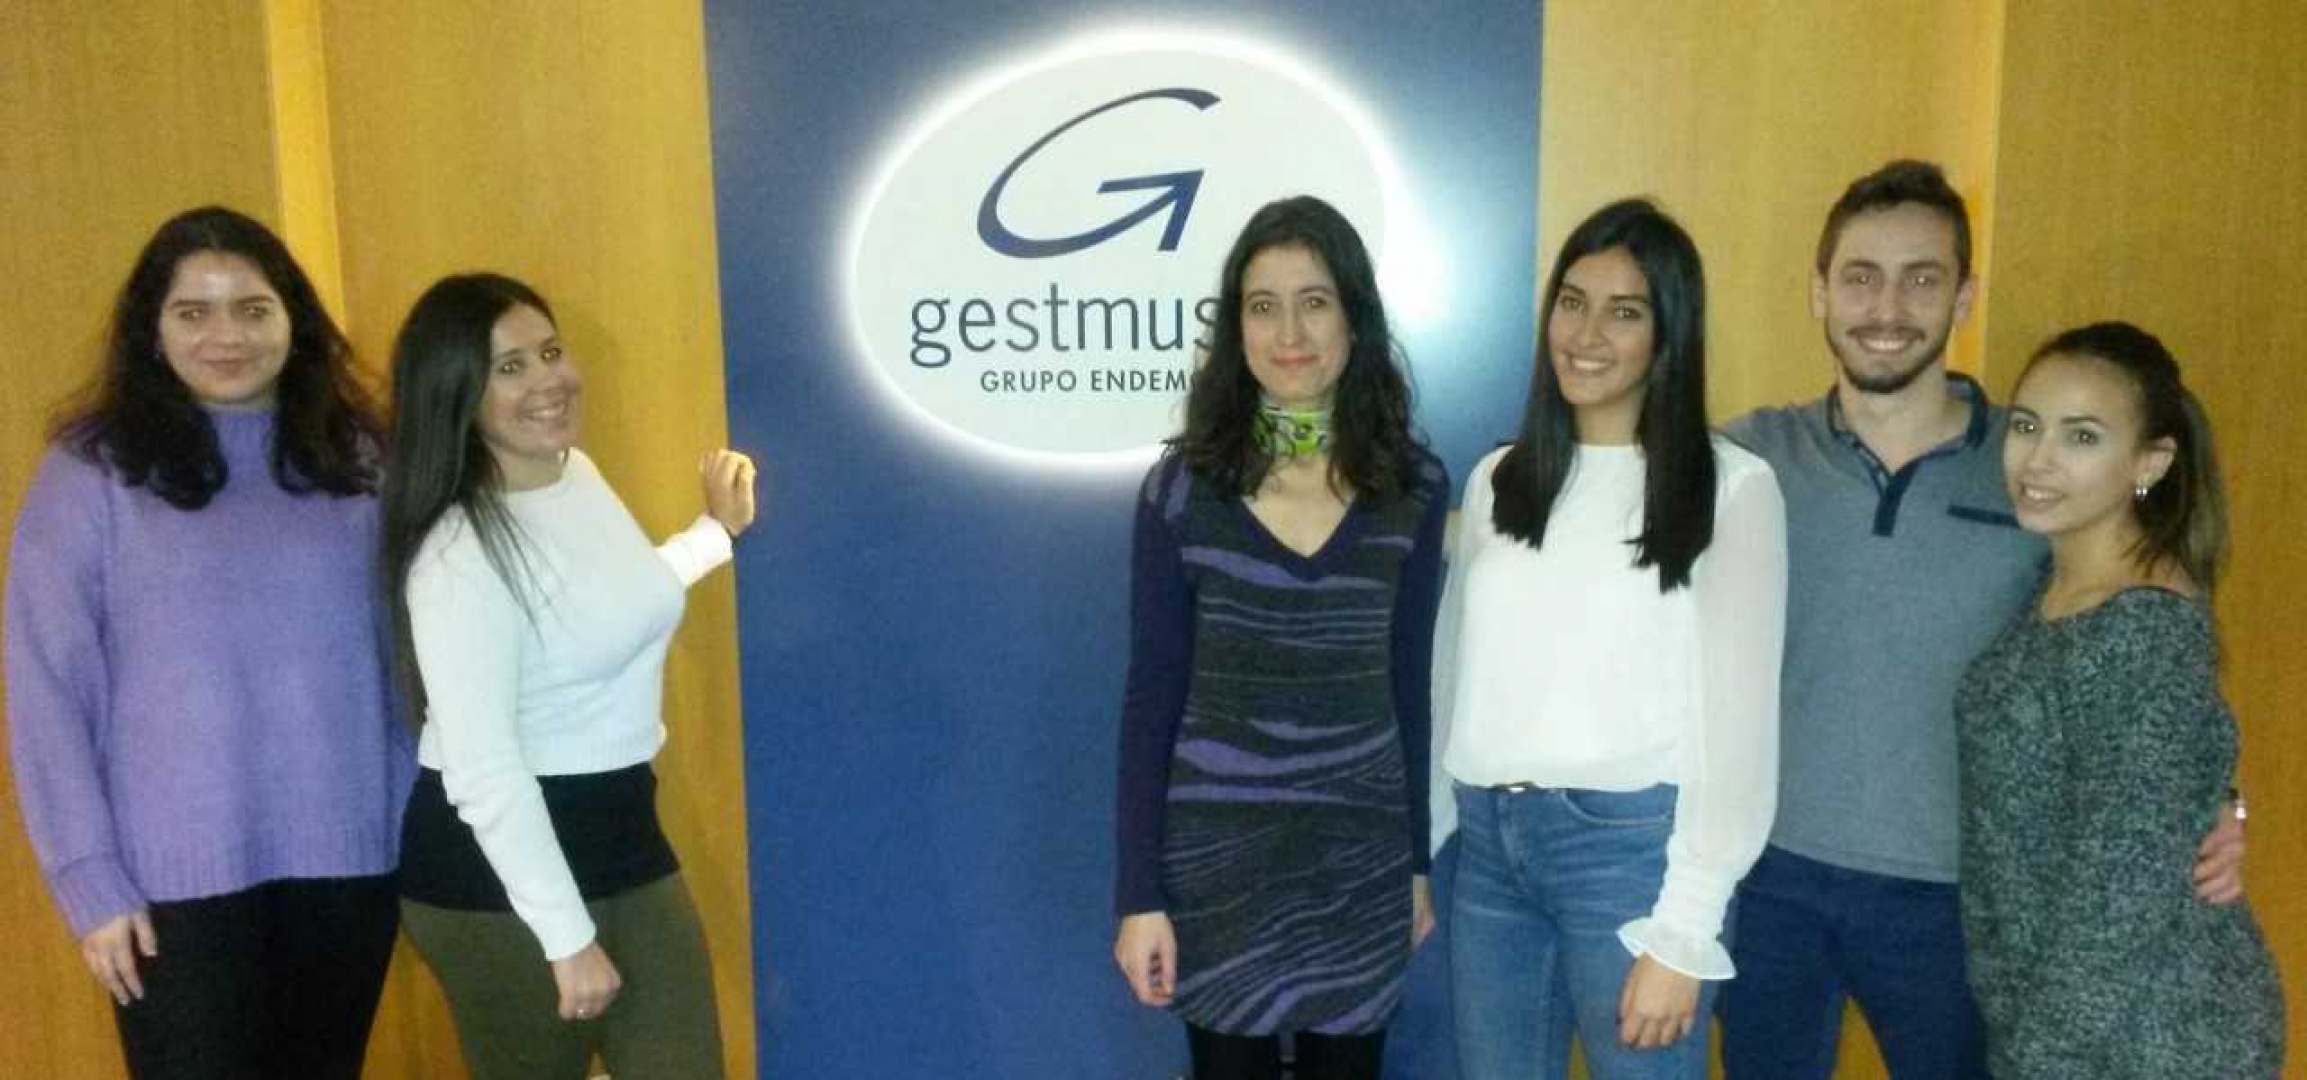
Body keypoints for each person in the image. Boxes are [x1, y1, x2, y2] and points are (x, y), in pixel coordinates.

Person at [1717, 160, 2249, 1079]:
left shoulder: (2034, 466)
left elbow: (2141, 644)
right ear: (1818, 292)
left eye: (1921, 278)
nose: (1887, 307)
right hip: (1770, 879)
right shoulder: (1749, 457)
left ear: (1963, 297)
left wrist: (2221, 801)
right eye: (1860, 276)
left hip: (1959, 901)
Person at [3, 207, 411, 1077]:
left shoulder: (361, 461)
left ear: (294, 322)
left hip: (350, 869)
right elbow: (46, 690)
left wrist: (412, 825)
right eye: (194, 311)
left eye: (253, 309)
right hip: (167, 894)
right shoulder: (91, 471)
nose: (227, 335)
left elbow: (407, 663)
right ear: (151, 331)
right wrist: (87, 876)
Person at [1432, 199, 1785, 1079]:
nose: (1586, 335)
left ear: (1668, 334)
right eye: (1571, 302)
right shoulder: (1497, 479)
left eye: (1623, 312)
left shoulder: (1731, 489)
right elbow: (1452, 674)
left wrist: (1685, 926)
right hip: (1489, 848)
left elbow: (1739, 727)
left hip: (1628, 860)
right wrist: (1427, 845)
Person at [379, 273, 754, 1079]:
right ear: (456, 395)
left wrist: (710, 536)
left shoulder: (575, 474)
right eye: (509, 368)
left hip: (624, 838)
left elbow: (605, 607)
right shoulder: (458, 554)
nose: (548, 381)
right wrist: (565, 937)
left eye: (549, 353)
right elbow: (483, 768)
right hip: (495, 883)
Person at [1111, 195, 1448, 1080]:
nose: (1289, 333)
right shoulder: (1180, 491)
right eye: (1263, 306)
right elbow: (1151, 697)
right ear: (1236, 328)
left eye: (1314, 301)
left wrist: (1414, 863)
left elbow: (1407, 686)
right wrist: (1138, 895)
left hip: (1359, 867)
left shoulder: (1412, 487)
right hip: (1218, 871)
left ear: (1353, 318)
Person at [1956, 322, 2283, 1077]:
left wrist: (2038, 1061)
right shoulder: (2064, 583)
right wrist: (2222, 798)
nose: (2038, 460)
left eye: (2081, 437)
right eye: (2027, 426)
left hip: (2152, 1037)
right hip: (2077, 1022)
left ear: (2150, 462)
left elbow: (2117, 899)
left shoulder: (2142, 629)